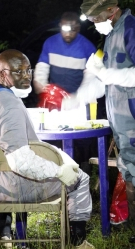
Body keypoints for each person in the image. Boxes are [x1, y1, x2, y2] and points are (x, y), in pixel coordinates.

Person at [0, 49, 100, 249]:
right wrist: (59, 171)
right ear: (2, 74)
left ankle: (5, 235)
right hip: (13, 186)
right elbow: (20, 161)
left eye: (28, 70)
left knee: (65, 167)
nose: (26, 76)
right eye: (18, 72)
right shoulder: (10, 106)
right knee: (80, 179)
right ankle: (78, 245)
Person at [80, 0, 135, 243]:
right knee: (129, 169)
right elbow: (112, 76)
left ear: (110, 10)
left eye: (96, 19)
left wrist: (107, 75)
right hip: (120, 120)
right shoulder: (113, 34)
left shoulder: (133, 29)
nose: (95, 24)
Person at [33, 12, 97, 171]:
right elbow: (41, 69)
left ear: (78, 29)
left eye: (72, 30)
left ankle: (83, 174)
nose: (68, 33)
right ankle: (56, 174)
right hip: (55, 104)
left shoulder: (88, 47)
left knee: (81, 142)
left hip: (78, 105)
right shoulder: (50, 43)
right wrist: (41, 84)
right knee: (55, 141)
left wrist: (77, 98)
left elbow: (91, 78)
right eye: (64, 29)